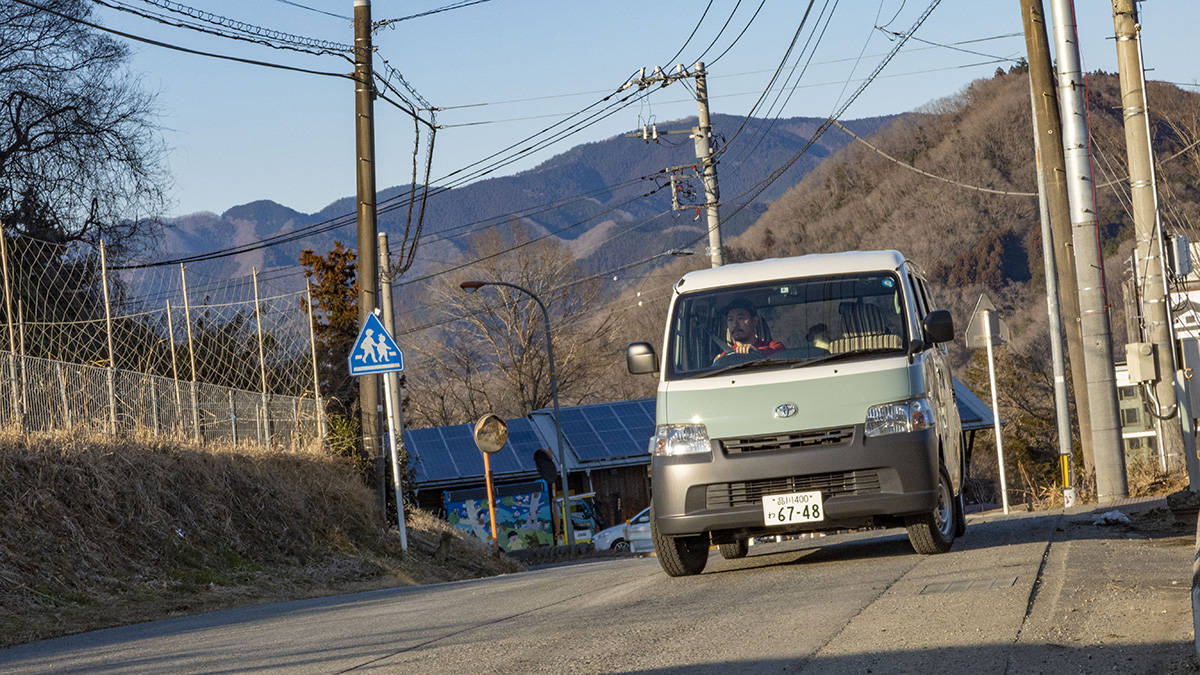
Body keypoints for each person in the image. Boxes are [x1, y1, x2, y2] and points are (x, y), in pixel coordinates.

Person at [715, 298, 785, 361]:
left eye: (740, 318)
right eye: (730, 320)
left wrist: (756, 352)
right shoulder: (725, 356)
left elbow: (779, 352)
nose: (735, 324)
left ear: (754, 321)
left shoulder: (774, 346)